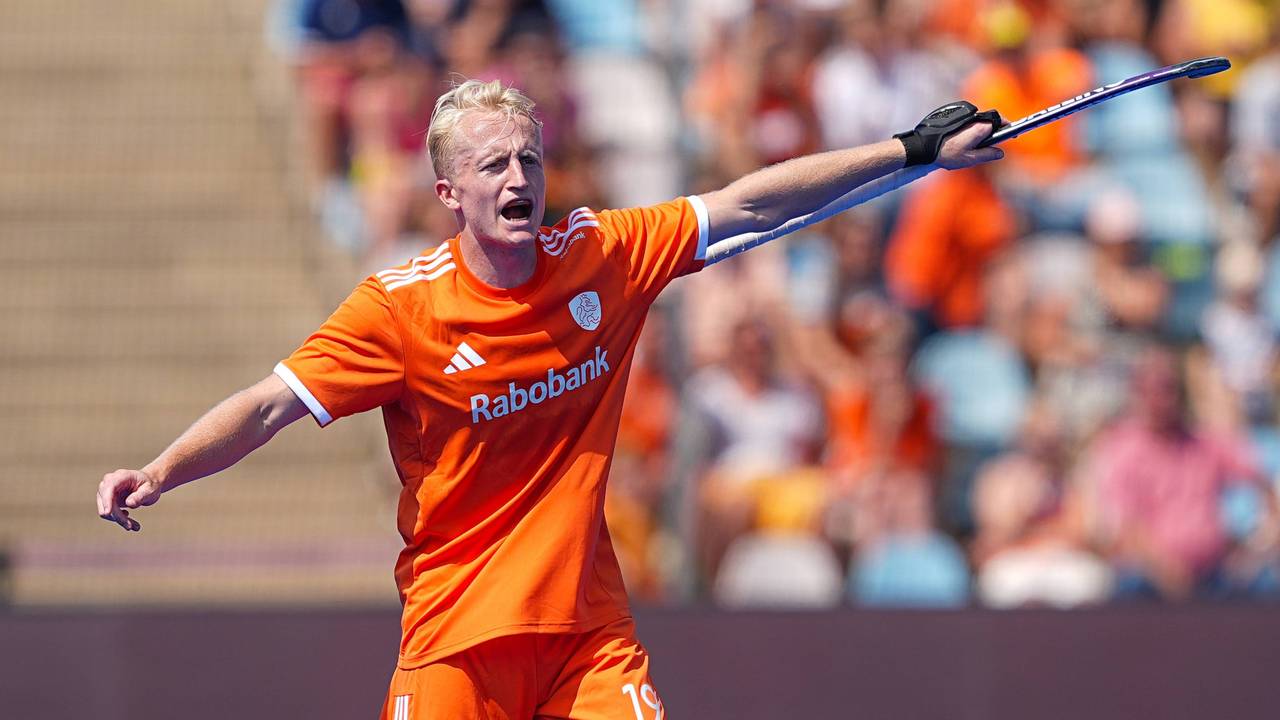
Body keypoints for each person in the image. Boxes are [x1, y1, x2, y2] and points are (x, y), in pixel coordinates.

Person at [95, 79, 1003, 719]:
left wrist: (914, 149)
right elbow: (267, 405)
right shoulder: (397, 310)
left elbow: (749, 207)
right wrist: (163, 470)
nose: (519, 179)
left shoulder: (601, 252)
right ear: (450, 192)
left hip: (586, 634)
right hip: (456, 637)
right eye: (493, 166)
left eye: (529, 158)